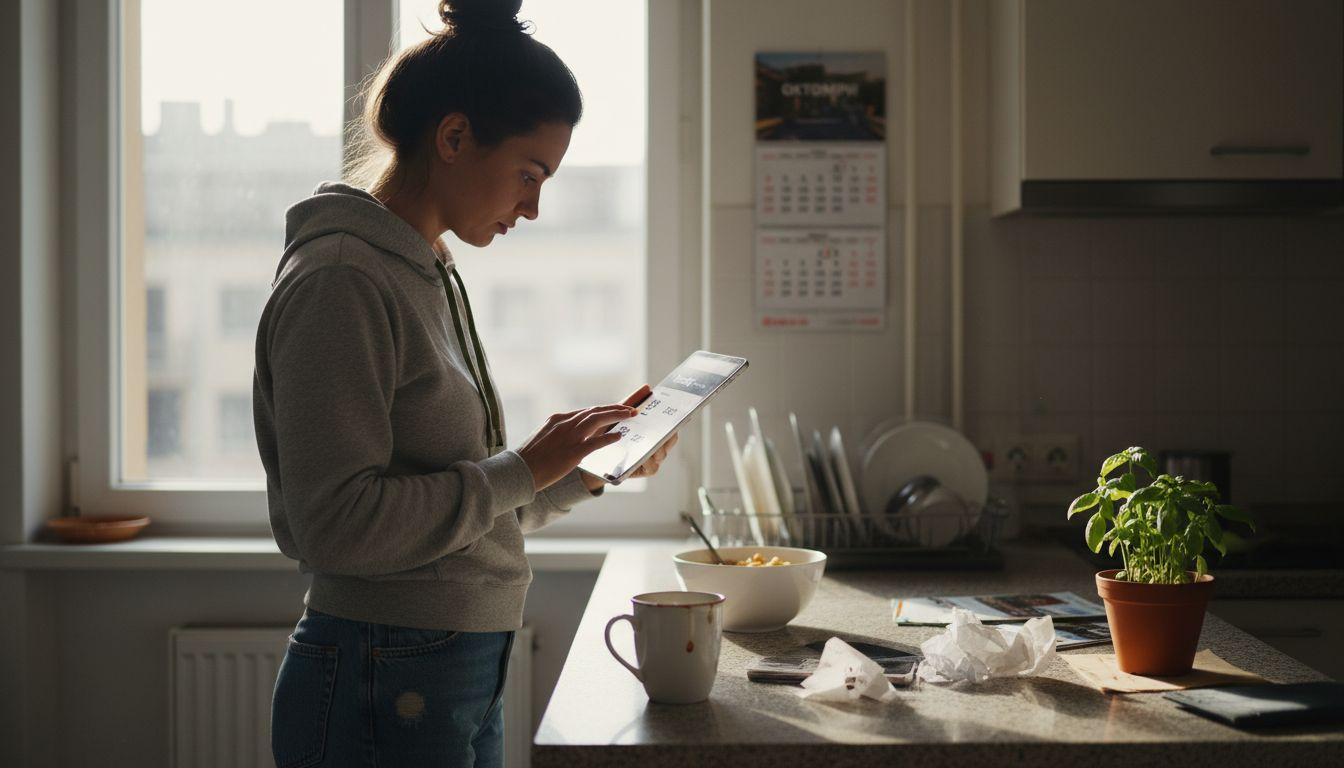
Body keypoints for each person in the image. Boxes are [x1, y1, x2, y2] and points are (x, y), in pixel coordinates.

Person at [252, 2, 675, 765]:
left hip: (443, 660)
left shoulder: (425, 268)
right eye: (528, 174)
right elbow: (336, 525)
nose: (534, 207)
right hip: (384, 664)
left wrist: (579, 471)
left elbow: (465, 506)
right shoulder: (342, 280)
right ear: (453, 138)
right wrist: (523, 467)